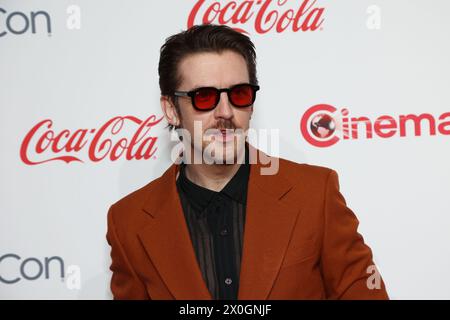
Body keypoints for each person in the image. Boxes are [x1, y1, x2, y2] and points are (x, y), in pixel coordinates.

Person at [106, 24, 388, 300]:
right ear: (171, 109)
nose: (225, 112)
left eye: (239, 93)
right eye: (204, 97)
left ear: (251, 103)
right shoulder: (128, 224)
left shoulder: (315, 195)